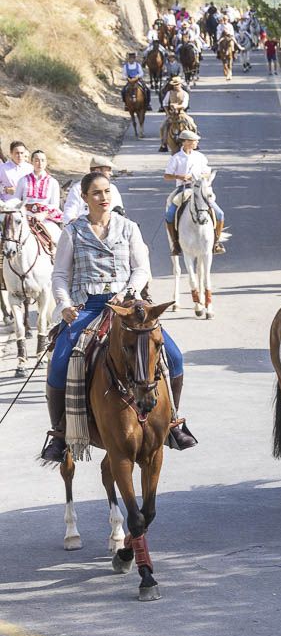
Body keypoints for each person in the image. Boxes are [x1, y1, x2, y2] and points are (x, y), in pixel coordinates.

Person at [40, 172, 196, 464]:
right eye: (97, 193)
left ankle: (173, 421)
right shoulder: (72, 232)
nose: (104, 197)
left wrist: (129, 291)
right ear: (85, 198)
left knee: (174, 356)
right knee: (60, 360)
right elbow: (60, 274)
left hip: (127, 304)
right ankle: (60, 433)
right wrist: (64, 304)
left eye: (107, 191)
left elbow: (141, 268)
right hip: (87, 305)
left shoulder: (128, 228)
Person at [163, 130, 225, 256]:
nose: (196, 143)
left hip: (200, 188)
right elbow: (166, 176)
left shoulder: (200, 156)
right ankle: (176, 243)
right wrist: (180, 177)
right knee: (170, 214)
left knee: (219, 213)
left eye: (196, 141)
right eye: (194, 141)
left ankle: (216, 242)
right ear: (185, 142)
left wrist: (199, 176)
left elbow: (207, 172)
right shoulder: (176, 158)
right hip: (184, 188)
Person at [17, 149, 63, 248]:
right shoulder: (23, 180)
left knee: (60, 240)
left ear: (46, 162)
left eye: (42, 160)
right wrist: (24, 214)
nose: (40, 163)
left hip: (44, 218)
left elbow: (55, 204)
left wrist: (43, 214)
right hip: (25, 217)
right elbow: (16, 201)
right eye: (37, 160)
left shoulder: (53, 182)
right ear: (31, 161)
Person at [62, 158, 123, 222]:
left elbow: (120, 211)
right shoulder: (78, 189)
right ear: (97, 171)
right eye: (109, 170)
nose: (111, 173)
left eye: (107, 192)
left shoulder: (113, 188)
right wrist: (79, 227)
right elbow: (69, 214)